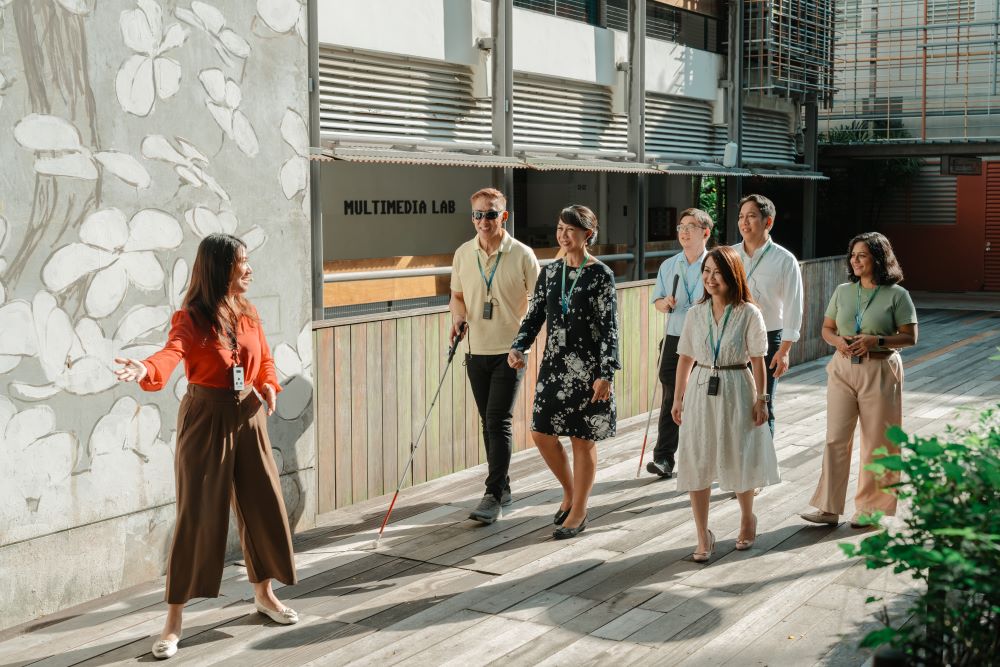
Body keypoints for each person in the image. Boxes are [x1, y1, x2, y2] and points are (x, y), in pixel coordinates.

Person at [114, 234, 298, 660]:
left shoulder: (249, 313)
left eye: (248, 262)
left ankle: (263, 595)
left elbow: (264, 360)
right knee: (197, 515)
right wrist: (144, 367)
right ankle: (173, 621)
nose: (249, 269)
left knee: (263, 505)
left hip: (249, 415)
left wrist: (268, 385)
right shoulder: (191, 318)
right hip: (205, 418)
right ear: (220, 269)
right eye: (242, 263)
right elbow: (170, 354)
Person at [508, 205, 620, 540]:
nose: (563, 235)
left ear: (588, 234)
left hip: (589, 369)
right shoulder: (551, 271)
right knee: (541, 432)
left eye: (570, 229)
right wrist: (519, 346)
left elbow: (609, 327)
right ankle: (571, 492)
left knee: (582, 440)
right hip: (554, 365)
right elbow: (535, 314)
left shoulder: (600, 274)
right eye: (560, 228)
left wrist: (607, 373)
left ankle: (580, 510)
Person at [800, 232, 917, 528]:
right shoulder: (843, 291)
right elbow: (826, 328)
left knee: (878, 442)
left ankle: (871, 508)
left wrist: (875, 340)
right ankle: (828, 507)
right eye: (852, 255)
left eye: (861, 255)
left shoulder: (898, 295)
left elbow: (911, 336)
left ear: (878, 259)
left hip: (879, 370)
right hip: (842, 369)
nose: (854, 261)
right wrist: (837, 341)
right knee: (835, 439)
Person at [671, 246, 780, 562]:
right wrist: (678, 398)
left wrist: (762, 399)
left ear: (733, 275)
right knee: (697, 457)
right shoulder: (695, 313)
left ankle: (747, 517)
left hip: (737, 386)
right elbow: (685, 359)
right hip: (701, 388)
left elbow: (759, 361)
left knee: (739, 453)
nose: (710, 278)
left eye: (717, 272)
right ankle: (702, 533)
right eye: (706, 271)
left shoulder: (749, 313)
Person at [450, 187, 541, 524]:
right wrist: (457, 317)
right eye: (477, 214)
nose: (483, 221)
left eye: (490, 214)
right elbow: (457, 296)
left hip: (510, 352)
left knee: (497, 420)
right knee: (487, 423)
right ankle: (502, 486)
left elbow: (540, 304)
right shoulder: (463, 254)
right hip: (475, 351)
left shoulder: (522, 254)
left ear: (504, 216)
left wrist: (524, 344)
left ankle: (492, 495)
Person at [646, 207, 714, 479]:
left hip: (707, 339)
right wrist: (666, 304)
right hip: (675, 337)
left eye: (691, 227)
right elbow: (657, 302)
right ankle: (663, 458)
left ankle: (703, 457)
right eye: (681, 227)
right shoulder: (668, 265)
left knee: (704, 399)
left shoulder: (715, 263)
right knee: (670, 397)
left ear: (706, 233)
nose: (684, 232)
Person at [734, 194, 803, 437]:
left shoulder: (785, 260)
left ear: (768, 222)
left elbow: (794, 308)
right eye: (741, 217)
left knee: (763, 403)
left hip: (769, 337)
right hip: (733, 336)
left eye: (751, 216)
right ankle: (733, 463)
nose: (744, 222)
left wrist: (784, 351)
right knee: (732, 405)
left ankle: (763, 468)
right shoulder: (730, 256)